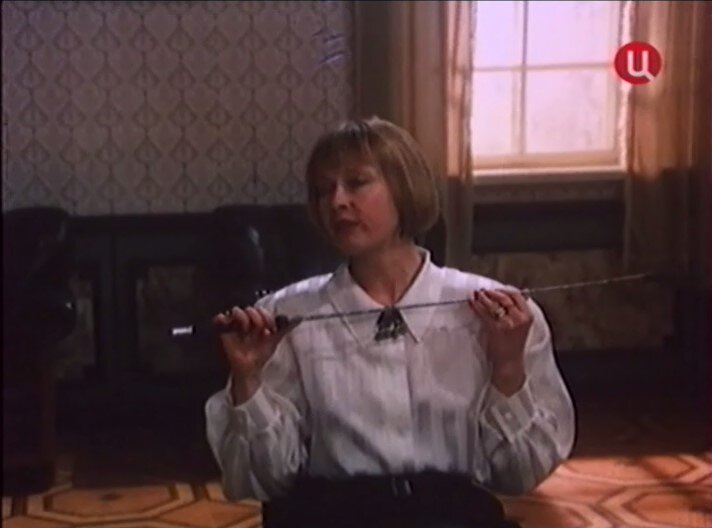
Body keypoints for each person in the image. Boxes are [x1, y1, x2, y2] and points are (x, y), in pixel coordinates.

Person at [205, 117, 575, 528]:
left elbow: (520, 476)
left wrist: (507, 369)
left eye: (357, 183)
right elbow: (265, 479)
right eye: (323, 190)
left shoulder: (499, 314)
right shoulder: (283, 317)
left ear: (404, 189)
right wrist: (248, 381)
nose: (337, 201)